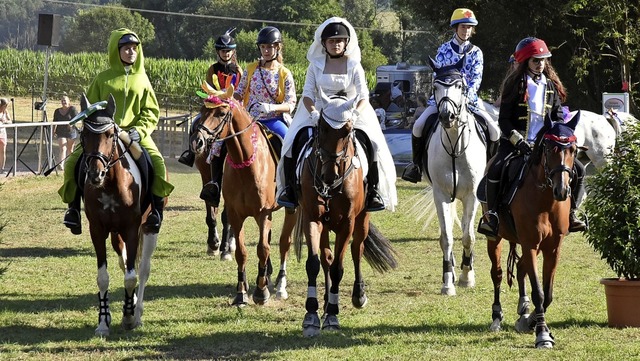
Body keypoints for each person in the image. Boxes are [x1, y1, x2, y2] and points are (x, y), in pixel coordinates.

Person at [58, 29, 174, 235]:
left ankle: (156, 211)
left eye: (134, 49)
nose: (131, 52)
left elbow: (151, 111)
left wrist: (140, 130)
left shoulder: (143, 80)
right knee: (72, 163)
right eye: (126, 48)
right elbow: (89, 109)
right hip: (104, 135)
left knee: (157, 162)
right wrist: (94, 129)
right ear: (116, 50)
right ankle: (73, 210)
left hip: (133, 134)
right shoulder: (102, 79)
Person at [276, 17, 397, 212]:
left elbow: (363, 95)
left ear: (346, 43)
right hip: (318, 111)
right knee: (292, 141)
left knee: (372, 144)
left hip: (350, 112)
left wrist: (356, 114)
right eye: (331, 41)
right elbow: (307, 94)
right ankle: (290, 189)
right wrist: (314, 114)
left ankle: (373, 191)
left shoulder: (354, 65)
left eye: (339, 40)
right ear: (324, 43)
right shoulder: (314, 65)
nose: (335, 44)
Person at [477, 37, 587, 237]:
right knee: (495, 169)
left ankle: (572, 213)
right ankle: (492, 216)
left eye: (543, 60)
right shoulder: (514, 85)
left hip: (545, 143)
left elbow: (558, 114)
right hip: (516, 142)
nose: (540, 64)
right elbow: (504, 120)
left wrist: (561, 132)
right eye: (536, 60)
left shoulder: (551, 85)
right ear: (526, 61)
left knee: (578, 168)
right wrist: (517, 140)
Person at [402, 8, 500, 183]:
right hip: (442, 101)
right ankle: (416, 166)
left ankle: (490, 171)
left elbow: (476, 80)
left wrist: (465, 99)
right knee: (418, 126)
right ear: (456, 28)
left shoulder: (477, 52)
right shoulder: (444, 50)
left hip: (469, 101)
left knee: (494, 131)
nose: (466, 31)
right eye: (463, 27)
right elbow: (436, 76)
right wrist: (443, 99)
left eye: (469, 27)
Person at [178, 28, 243, 207]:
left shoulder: (238, 70)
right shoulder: (212, 69)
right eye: (223, 51)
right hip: (213, 106)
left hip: (232, 108)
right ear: (218, 52)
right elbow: (207, 88)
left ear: (233, 52)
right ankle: (190, 154)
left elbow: (242, 90)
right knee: (196, 122)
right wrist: (214, 96)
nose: (226, 53)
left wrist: (229, 98)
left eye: (229, 50)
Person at [233, 26, 296, 141]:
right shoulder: (250, 69)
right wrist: (224, 97)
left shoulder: (284, 74)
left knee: (289, 140)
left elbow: (290, 104)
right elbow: (239, 93)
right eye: (263, 47)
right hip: (249, 119)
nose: (265, 51)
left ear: (277, 47)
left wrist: (272, 107)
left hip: (273, 120)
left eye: (269, 47)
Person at [53, 95, 79, 170]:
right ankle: (61, 164)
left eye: (65, 100)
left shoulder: (72, 109)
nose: (63, 102)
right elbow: (55, 121)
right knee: (63, 148)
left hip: (71, 132)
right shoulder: (57, 111)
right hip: (60, 131)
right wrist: (53, 130)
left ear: (69, 101)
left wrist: (71, 124)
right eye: (62, 100)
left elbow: (77, 118)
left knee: (70, 149)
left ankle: (71, 164)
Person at [0, 98, 11, 172]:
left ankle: (2, 168)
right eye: (4, 106)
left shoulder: (5, 112)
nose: (5, 108)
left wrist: (5, 121)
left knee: (3, 151)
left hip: (2, 132)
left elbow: (10, 121)